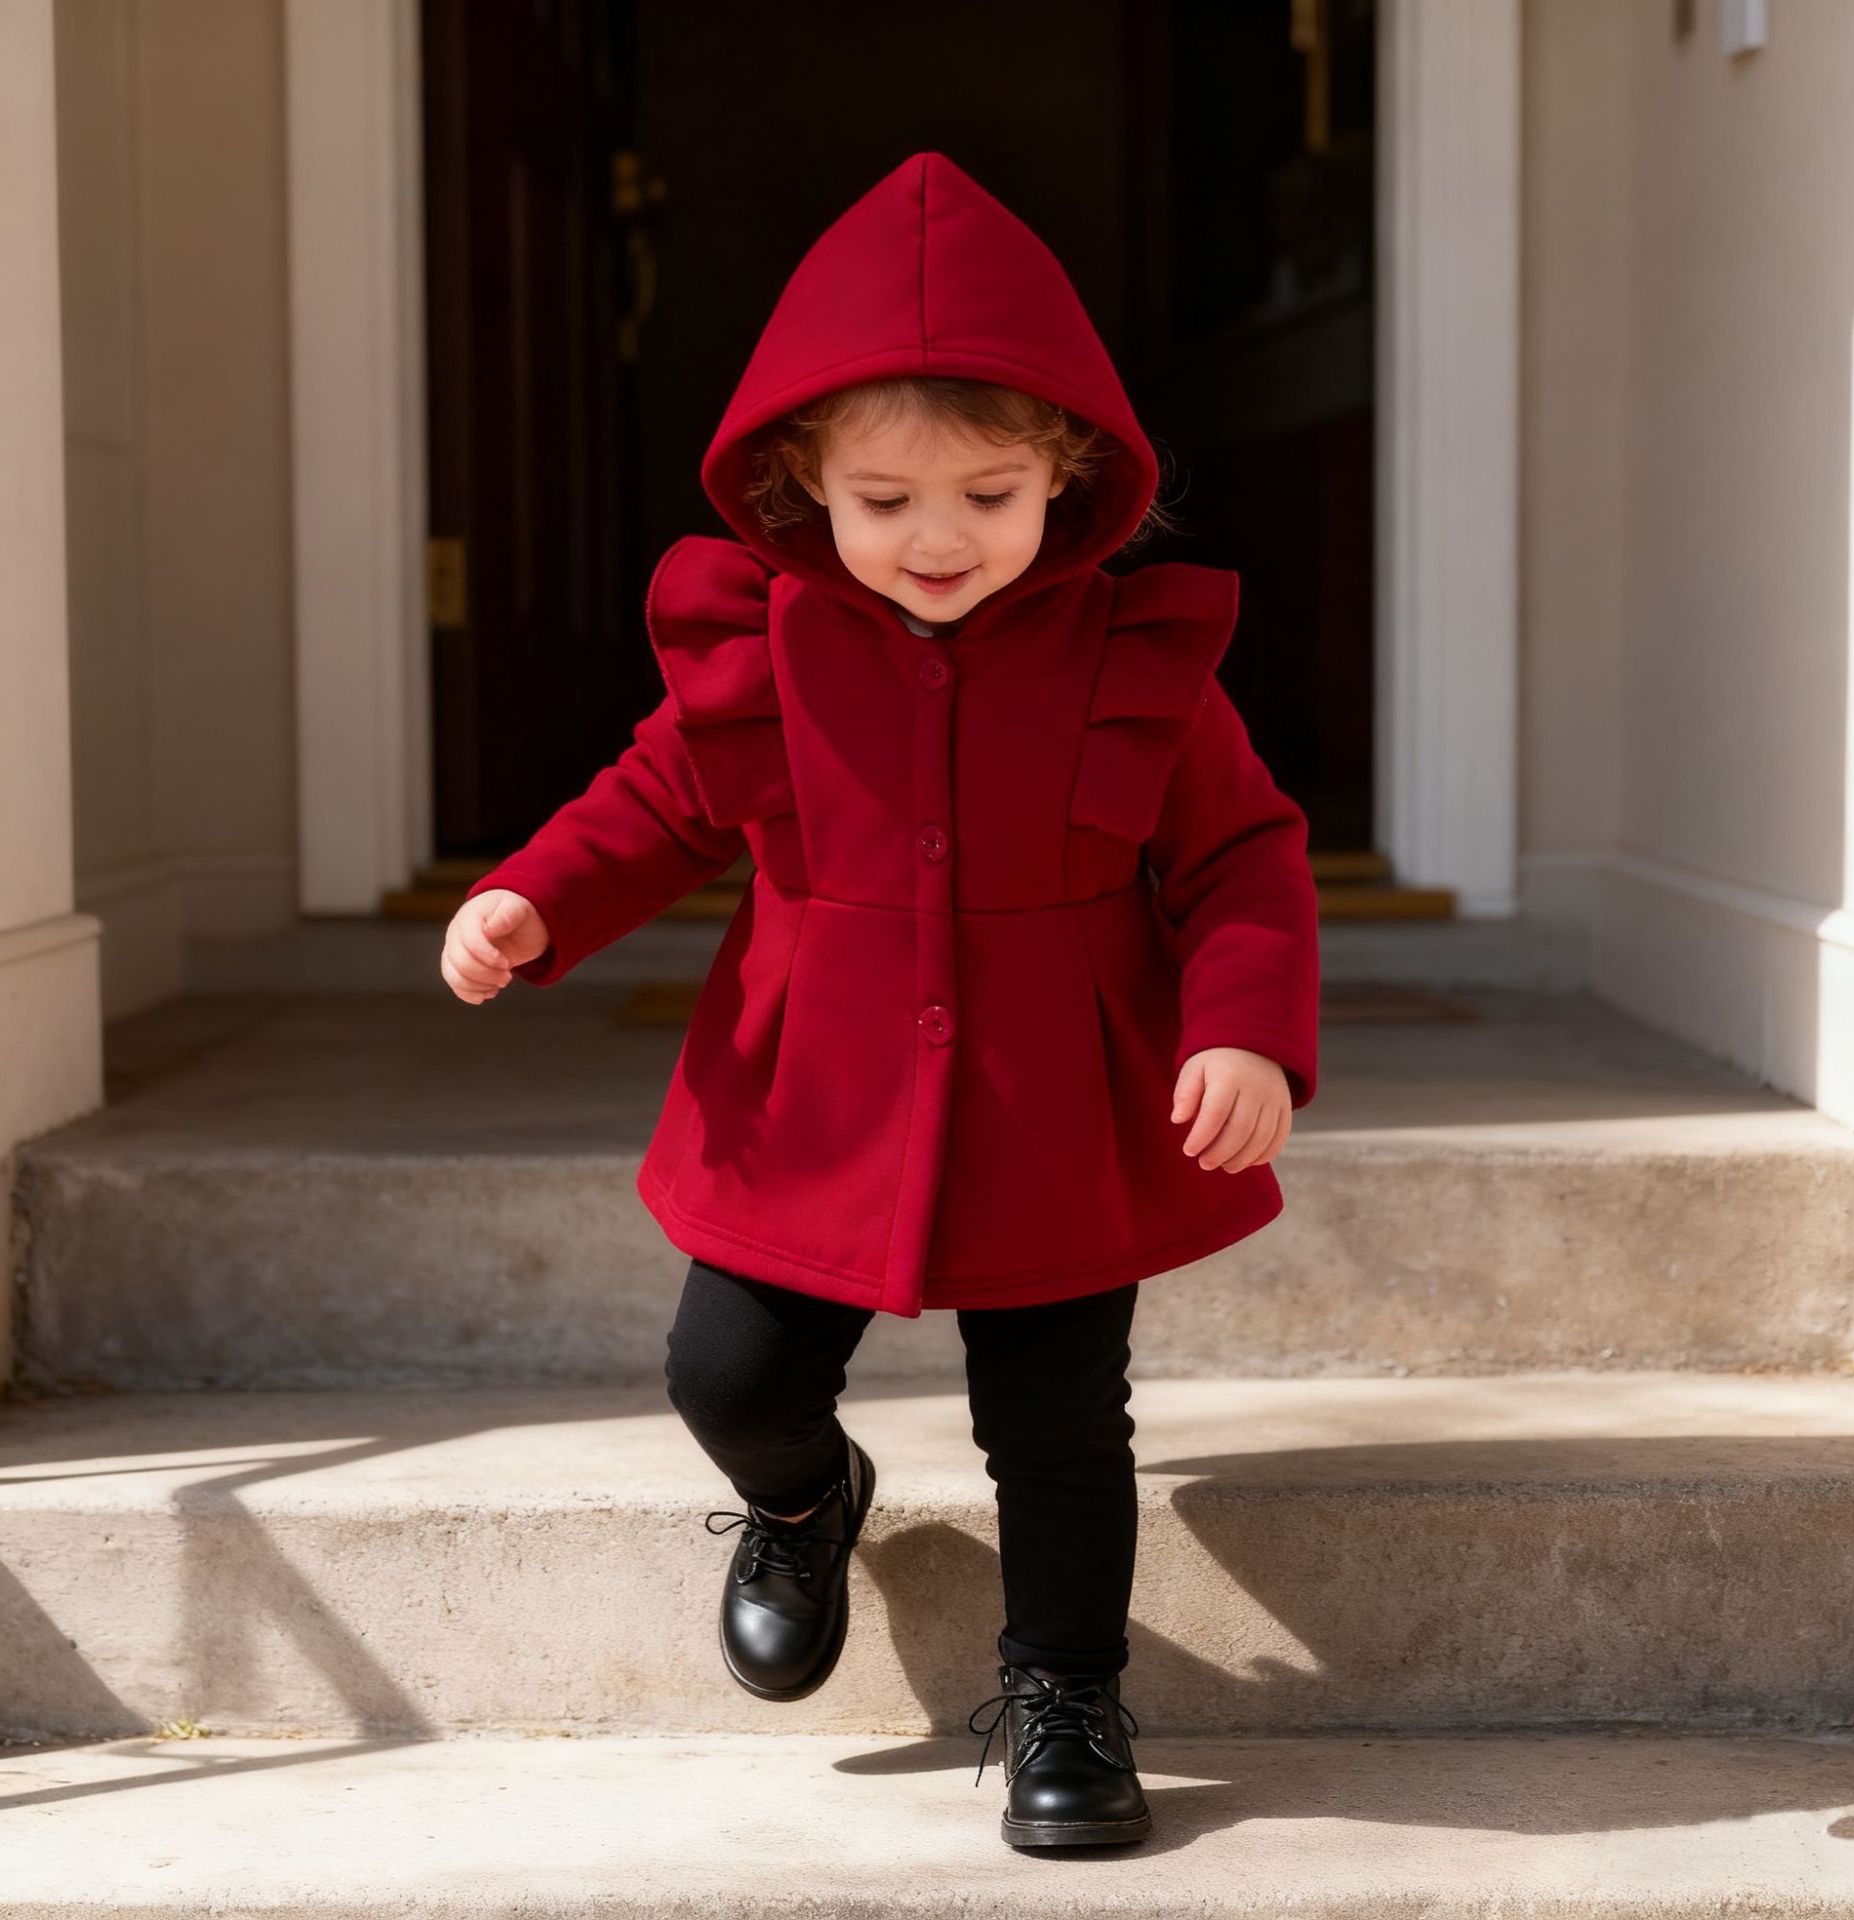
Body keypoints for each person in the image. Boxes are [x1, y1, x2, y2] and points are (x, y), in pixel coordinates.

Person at [440, 151, 1320, 1851]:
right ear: (803, 485)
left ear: (1068, 476)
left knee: (1056, 1424)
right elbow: (657, 802)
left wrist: (1245, 1028)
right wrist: (531, 898)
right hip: (814, 1092)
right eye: (887, 498)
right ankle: (803, 1499)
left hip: (1058, 1099)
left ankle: (1068, 1696)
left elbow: (1242, 855)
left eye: (990, 494)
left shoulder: (1129, 653)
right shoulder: (767, 645)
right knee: (726, 1371)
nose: (938, 538)